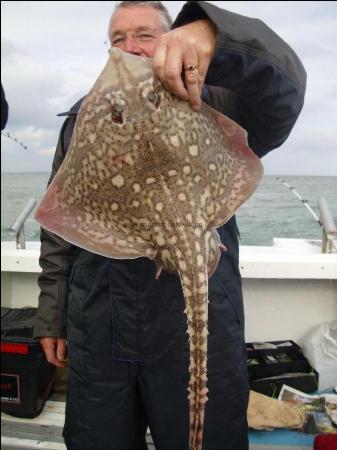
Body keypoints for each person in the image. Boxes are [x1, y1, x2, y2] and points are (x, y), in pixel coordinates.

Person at [34, 1, 306, 449]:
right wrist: (52, 317)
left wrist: (216, 35)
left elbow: (286, 91)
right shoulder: (84, 120)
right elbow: (60, 222)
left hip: (194, 309)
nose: (129, 48)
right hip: (99, 319)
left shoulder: (215, 99)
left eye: (144, 35)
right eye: (117, 39)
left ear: (173, 40)